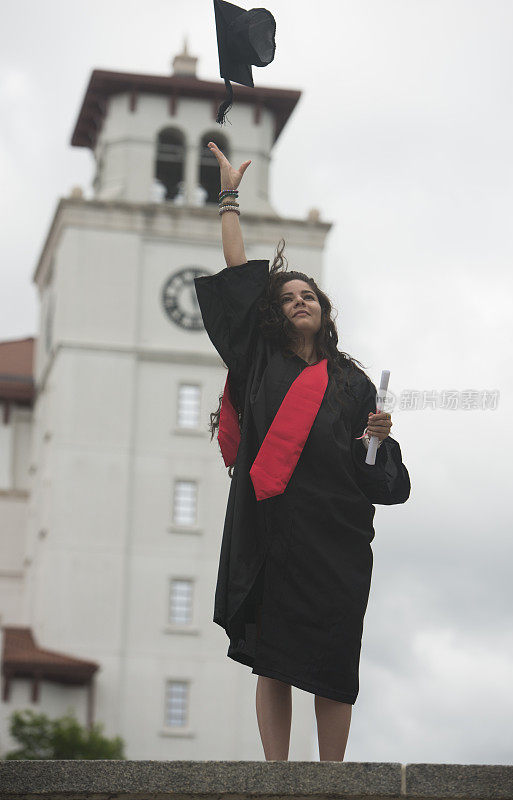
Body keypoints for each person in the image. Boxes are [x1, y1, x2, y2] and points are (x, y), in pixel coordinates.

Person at [193, 141, 411, 762]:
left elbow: (382, 479)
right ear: (275, 317)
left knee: (335, 654)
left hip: (338, 533)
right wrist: (229, 199)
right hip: (273, 527)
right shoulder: (260, 360)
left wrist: (377, 444)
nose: (299, 300)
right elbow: (239, 281)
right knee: (274, 655)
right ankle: (277, 773)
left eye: (307, 295)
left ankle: (333, 775)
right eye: (286, 298)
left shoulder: (353, 382)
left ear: (324, 308)